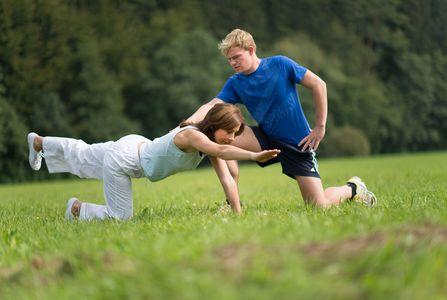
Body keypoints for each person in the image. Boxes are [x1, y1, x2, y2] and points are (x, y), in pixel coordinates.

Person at [186, 29, 377, 208]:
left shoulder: (280, 64)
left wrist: (320, 127)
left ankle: (353, 188)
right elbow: (212, 105)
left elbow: (319, 84)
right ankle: (231, 203)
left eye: (236, 57)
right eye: (229, 59)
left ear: (251, 50)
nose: (233, 63)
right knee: (213, 135)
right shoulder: (235, 83)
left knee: (319, 206)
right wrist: (191, 121)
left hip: (299, 143)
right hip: (266, 138)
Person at [27, 103, 280, 220]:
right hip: (127, 160)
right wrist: (255, 155)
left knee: (83, 154)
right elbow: (224, 153)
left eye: (237, 134)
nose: (233, 139)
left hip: (134, 145)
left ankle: (40, 142)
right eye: (231, 132)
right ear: (215, 126)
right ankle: (78, 209)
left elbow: (227, 179)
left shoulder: (209, 144)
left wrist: (238, 213)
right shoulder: (193, 136)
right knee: (120, 217)